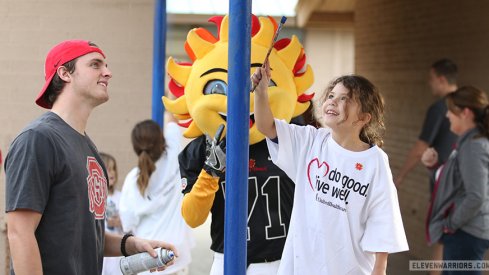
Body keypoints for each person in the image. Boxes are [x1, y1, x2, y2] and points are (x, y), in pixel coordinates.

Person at [5, 40, 176, 275]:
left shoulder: (91, 150)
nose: (108, 72)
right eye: (95, 65)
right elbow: (19, 232)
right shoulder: (38, 139)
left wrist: (132, 244)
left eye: (106, 65)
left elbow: (84, 234)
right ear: (65, 73)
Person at [253, 62, 409, 274]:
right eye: (331, 96)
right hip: (301, 267)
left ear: (363, 118)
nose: (333, 102)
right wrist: (262, 91)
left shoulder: (375, 161)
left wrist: (379, 269)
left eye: (345, 99)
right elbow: (266, 126)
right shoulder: (310, 140)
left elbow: (382, 219)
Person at [395, 58, 458, 274]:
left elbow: (420, 147)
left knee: (441, 241)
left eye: (431, 79)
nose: (428, 83)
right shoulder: (471, 105)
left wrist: (400, 176)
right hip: (471, 185)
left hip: (446, 185)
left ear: (441, 79)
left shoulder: (440, 108)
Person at [423, 86, 489, 275]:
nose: (447, 116)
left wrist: (450, 224)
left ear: (466, 113)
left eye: (451, 111)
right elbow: (456, 183)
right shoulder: (468, 142)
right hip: (465, 232)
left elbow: (476, 196)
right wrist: (434, 166)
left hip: (466, 233)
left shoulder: (473, 146)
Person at [119, 114, 194, 275]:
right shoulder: (175, 155)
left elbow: (127, 224)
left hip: (149, 259)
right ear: (162, 142)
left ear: (136, 148)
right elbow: (171, 115)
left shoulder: (132, 179)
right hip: (176, 256)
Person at [100, 152, 124, 275]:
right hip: (101, 252)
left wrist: (121, 221)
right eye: (108, 169)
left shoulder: (122, 197)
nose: (113, 172)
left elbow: (129, 224)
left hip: (116, 254)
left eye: (114, 169)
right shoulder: (95, 197)